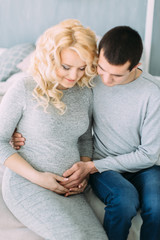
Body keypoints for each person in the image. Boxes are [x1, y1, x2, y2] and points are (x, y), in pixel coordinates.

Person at [11, 26, 160, 240]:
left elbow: (149, 154)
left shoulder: (153, 93)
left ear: (136, 66)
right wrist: (19, 130)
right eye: (102, 68)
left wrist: (90, 166)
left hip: (142, 166)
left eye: (116, 75)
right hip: (104, 163)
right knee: (124, 200)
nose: (106, 80)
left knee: (157, 207)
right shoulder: (87, 77)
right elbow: (50, 90)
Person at [0, 19, 107, 240]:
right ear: (49, 59)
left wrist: (83, 171)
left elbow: (85, 139)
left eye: (82, 68)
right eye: (66, 67)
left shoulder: (84, 91)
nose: (74, 76)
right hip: (29, 184)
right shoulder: (24, 87)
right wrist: (39, 178)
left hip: (70, 188)